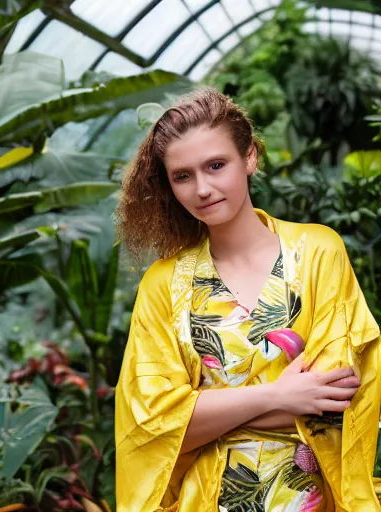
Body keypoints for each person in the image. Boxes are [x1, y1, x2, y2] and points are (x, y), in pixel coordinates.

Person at [114, 88, 381, 512]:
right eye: (182, 176)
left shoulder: (317, 251)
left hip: (307, 497)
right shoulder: (163, 284)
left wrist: (203, 414)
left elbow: (336, 399)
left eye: (216, 165)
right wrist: (279, 396)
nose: (202, 188)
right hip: (206, 501)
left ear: (250, 157)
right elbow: (150, 427)